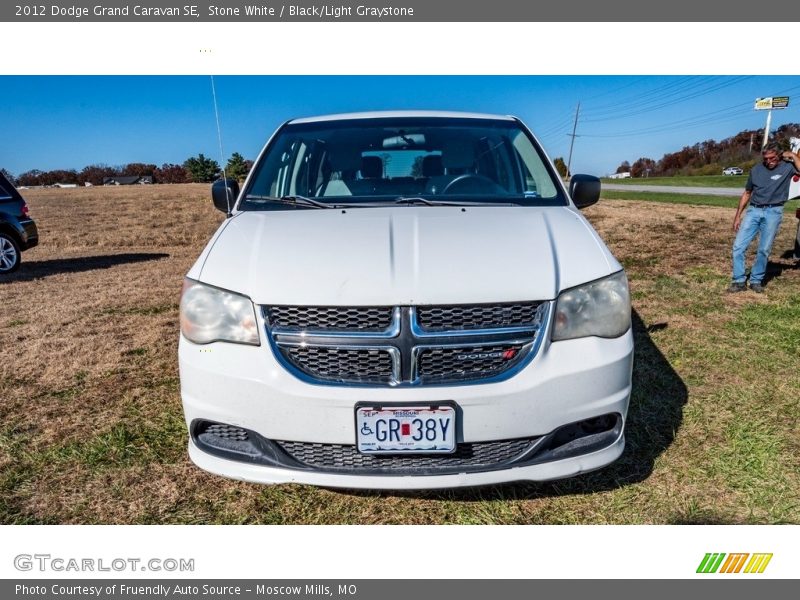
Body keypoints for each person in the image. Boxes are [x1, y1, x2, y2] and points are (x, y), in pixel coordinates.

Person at [728, 143, 800, 293]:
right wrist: (737, 217)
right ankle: (739, 280)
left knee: (764, 249)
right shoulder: (756, 170)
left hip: (774, 212)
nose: (768, 161)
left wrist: (793, 156)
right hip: (754, 210)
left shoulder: (787, 167)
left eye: (772, 158)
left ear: (780, 155)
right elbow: (747, 193)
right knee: (738, 247)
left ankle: (756, 280)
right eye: (766, 158)